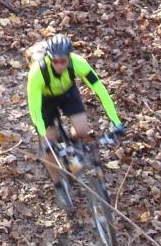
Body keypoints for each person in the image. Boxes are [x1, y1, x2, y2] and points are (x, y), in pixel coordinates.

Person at [26, 34, 125, 207]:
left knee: (82, 130)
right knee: (48, 147)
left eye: (63, 61)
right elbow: (34, 109)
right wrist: (43, 135)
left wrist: (116, 122)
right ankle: (58, 185)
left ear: (69, 57)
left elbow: (100, 90)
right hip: (44, 100)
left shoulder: (79, 63)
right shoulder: (37, 73)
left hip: (67, 93)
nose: (59, 65)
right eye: (55, 61)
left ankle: (73, 145)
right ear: (49, 58)